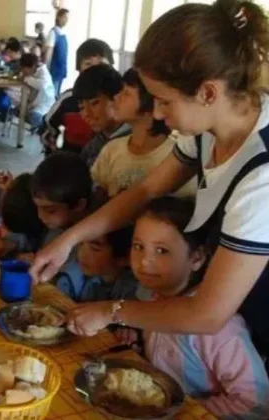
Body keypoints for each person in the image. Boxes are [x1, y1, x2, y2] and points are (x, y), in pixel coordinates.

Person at [30, 0, 269, 363]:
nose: (156, 113)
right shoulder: (209, 125)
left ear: (207, 93)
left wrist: (111, 310)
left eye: (163, 101)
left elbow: (208, 314)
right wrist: (68, 240)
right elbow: (145, 191)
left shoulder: (262, 176)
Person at [125, 197, 269, 419]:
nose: (144, 261)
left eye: (162, 250)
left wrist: (186, 412)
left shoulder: (221, 329)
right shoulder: (152, 297)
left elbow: (256, 403)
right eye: (138, 247)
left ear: (196, 258)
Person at [92, 68, 196, 200]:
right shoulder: (111, 149)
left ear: (151, 103)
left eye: (127, 93)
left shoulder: (179, 154)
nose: (117, 97)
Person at [41, 38, 114, 155]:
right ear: (78, 69)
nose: (94, 70)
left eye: (101, 64)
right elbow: (49, 125)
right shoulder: (68, 98)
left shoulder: (118, 99)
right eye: (88, 64)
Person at [58, 221, 137, 302]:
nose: (82, 253)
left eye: (94, 249)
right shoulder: (92, 282)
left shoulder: (132, 290)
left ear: (124, 258)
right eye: (80, 243)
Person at [74, 64, 131, 168]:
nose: (86, 114)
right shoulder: (93, 146)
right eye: (81, 107)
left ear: (117, 99)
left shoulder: (134, 142)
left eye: (94, 103)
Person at [19, 53, 55, 129]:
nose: (23, 71)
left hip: (45, 104)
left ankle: (47, 128)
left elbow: (42, 85)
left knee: (33, 117)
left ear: (31, 67)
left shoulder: (43, 73)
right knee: (18, 110)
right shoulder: (33, 71)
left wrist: (26, 79)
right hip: (34, 102)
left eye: (23, 68)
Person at [45, 8, 69, 96]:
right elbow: (48, 53)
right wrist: (46, 70)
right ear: (58, 17)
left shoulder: (62, 33)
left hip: (61, 70)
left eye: (67, 18)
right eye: (65, 17)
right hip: (53, 71)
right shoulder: (53, 33)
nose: (66, 20)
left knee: (57, 94)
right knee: (52, 95)